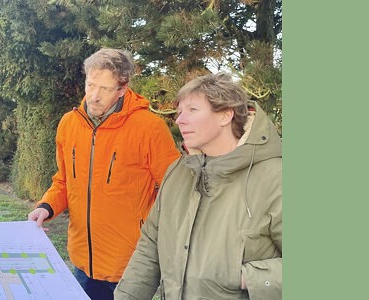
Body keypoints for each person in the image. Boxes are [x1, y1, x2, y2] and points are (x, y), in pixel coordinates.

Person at [27, 48, 181, 300]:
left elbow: (175, 191)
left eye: (105, 89)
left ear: (122, 88)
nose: (94, 96)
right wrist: (46, 206)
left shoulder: (150, 127)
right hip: (81, 261)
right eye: (90, 85)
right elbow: (64, 181)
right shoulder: (69, 123)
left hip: (128, 266)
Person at [114, 73, 282, 299]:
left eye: (192, 110)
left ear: (225, 115)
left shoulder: (275, 177)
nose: (180, 120)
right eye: (180, 112)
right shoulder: (177, 171)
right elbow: (150, 246)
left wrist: (244, 276)